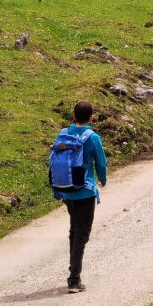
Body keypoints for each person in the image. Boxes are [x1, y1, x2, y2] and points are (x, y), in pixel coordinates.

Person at [50, 100, 107, 293]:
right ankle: (74, 280)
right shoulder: (93, 137)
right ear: (92, 117)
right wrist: (103, 180)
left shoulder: (63, 134)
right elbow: (100, 163)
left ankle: (73, 272)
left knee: (74, 230)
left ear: (73, 116)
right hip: (85, 191)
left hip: (67, 190)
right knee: (81, 234)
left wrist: (57, 191)